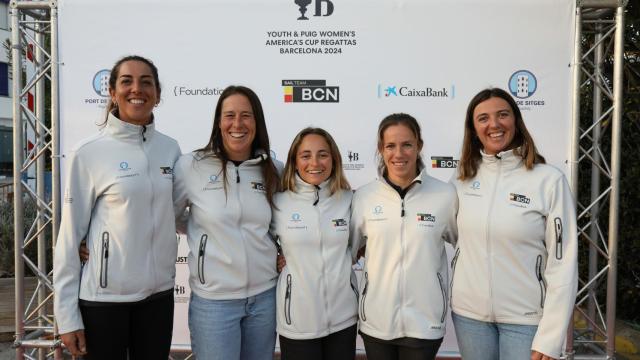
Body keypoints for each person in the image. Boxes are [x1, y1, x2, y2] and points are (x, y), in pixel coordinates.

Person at [53, 55, 181, 359]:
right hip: (103, 302)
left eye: (146, 81)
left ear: (158, 94)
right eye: (127, 81)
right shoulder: (88, 153)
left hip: (158, 298)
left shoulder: (171, 149)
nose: (136, 88)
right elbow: (70, 238)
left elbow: (178, 212)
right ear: (112, 92)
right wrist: (67, 317)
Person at [450, 87, 578, 360]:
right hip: (469, 318)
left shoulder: (548, 180)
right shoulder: (460, 181)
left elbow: (563, 262)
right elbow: (439, 233)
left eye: (502, 115)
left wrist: (551, 336)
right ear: (473, 129)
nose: (494, 124)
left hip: (526, 321)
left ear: (516, 121)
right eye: (483, 118)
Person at [172, 85, 281, 360]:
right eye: (229, 115)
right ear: (219, 122)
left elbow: (283, 224)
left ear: (257, 122)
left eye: (246, 115)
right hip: (214, 303)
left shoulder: (273, 170)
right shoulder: (191, 165)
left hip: (264, 298)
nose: (237, 124)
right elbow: (171, 216)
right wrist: (202, 229)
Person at [349, 113, 457, 360]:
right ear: (381, 149)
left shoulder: (445, 195)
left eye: (407, 144)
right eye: (390, 146)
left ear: (419, 146)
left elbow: (467, 247)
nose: (399, 153)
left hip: (425, 324)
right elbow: (347, 251)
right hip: (376, 322)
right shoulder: (364, 197)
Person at [271, 127, 358, 360]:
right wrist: (275, 258)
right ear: (294, 161)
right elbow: (258, 241)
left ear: (333, 159)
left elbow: (362, 243)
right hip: (297, 322)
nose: (315, 162)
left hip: (343, 319)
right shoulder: (279, 202)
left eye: (323, 154)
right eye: (306, 155)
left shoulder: (350, 200)